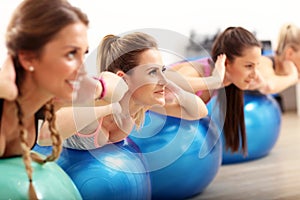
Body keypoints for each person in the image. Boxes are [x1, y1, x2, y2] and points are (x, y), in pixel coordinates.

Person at [0, 0, 127, 198]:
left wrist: (97, 89)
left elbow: (117, 88)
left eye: (82, 54)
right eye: (70, 54)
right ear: (28, 58)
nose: (81, 68)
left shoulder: (49, 100)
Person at [38, 32, 208, 150]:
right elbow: (44, 136)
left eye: (161, 70)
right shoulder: (98, 99)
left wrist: (174, 88)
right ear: (123, 77)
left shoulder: (141, 104)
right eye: (152, 72)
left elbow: (199, 111)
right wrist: (109, 109)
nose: (162, 79)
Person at [166, 27, 263, 155]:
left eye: (257, 65)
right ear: (226, 63)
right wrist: (214, 80)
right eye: (249, 66)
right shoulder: (199, 71)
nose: (254, 74)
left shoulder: (230, 83)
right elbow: (164, 82)